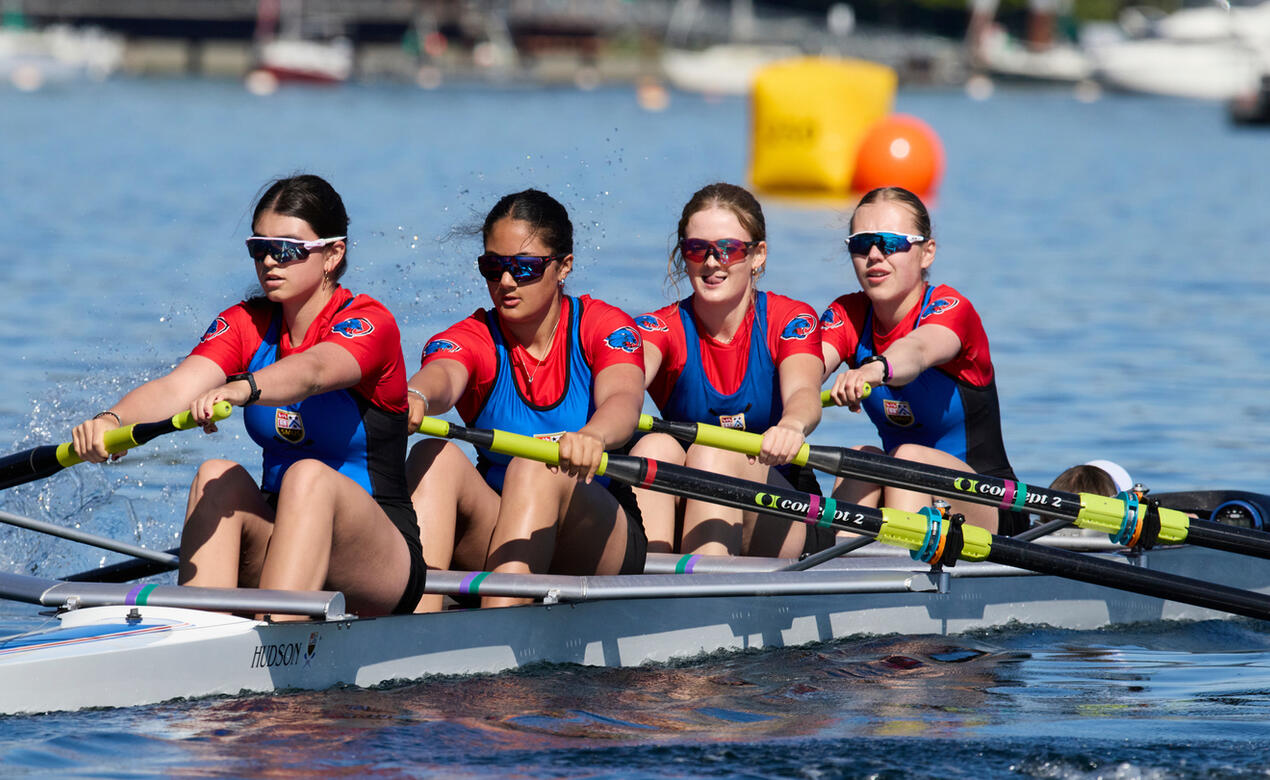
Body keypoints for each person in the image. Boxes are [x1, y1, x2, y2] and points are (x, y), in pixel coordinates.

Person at [71, 174, 426, 618]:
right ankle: (197, 633)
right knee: (215, 473)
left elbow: (315, 371)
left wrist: (245, 387)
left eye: (289, 249)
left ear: (333, 254)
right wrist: (111, 420)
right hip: (280, 534)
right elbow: (178, 387)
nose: (270, 262)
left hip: (379, 553)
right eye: (260, 248)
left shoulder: (369, 323)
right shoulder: (246, 323)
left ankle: (276, 641)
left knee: (308, 476)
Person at [405, 189, 646, 610]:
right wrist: (415, 394)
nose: (506, 282)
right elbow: (442, 374)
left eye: (524, 267)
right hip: (502, 529)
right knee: (431, 453)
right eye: (493, 267)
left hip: (597, 537)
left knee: (535, 463)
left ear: (564, 267)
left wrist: (592, 435)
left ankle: (502, 655)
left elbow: (624, 399)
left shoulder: (603, 326)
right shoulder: (474, 337)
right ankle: (414, 628)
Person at [630, 182, 827, 558]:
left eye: (729, 249)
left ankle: (699, 603)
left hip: (784, 507)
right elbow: (627, 384)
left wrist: (792, 426)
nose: (712, 261)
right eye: (697, 249)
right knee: (654, 446)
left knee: (712, 454)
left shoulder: (789, 319)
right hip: (691, 500)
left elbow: (804, 393)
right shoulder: (657, 329)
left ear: (757, 256)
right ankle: (650, 588)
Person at [821, 186, 1024, 536]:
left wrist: (873, 369)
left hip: (991, 508)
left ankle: (897, 574)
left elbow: (917, 350)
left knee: (909, 458)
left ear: (927, 252)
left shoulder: (951, 309)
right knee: (859, 458)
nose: (873, 255)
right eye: (860, 243)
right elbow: (806, 366)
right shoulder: (847, 313)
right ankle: (836, 576)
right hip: (904, 494)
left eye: (891, 243)